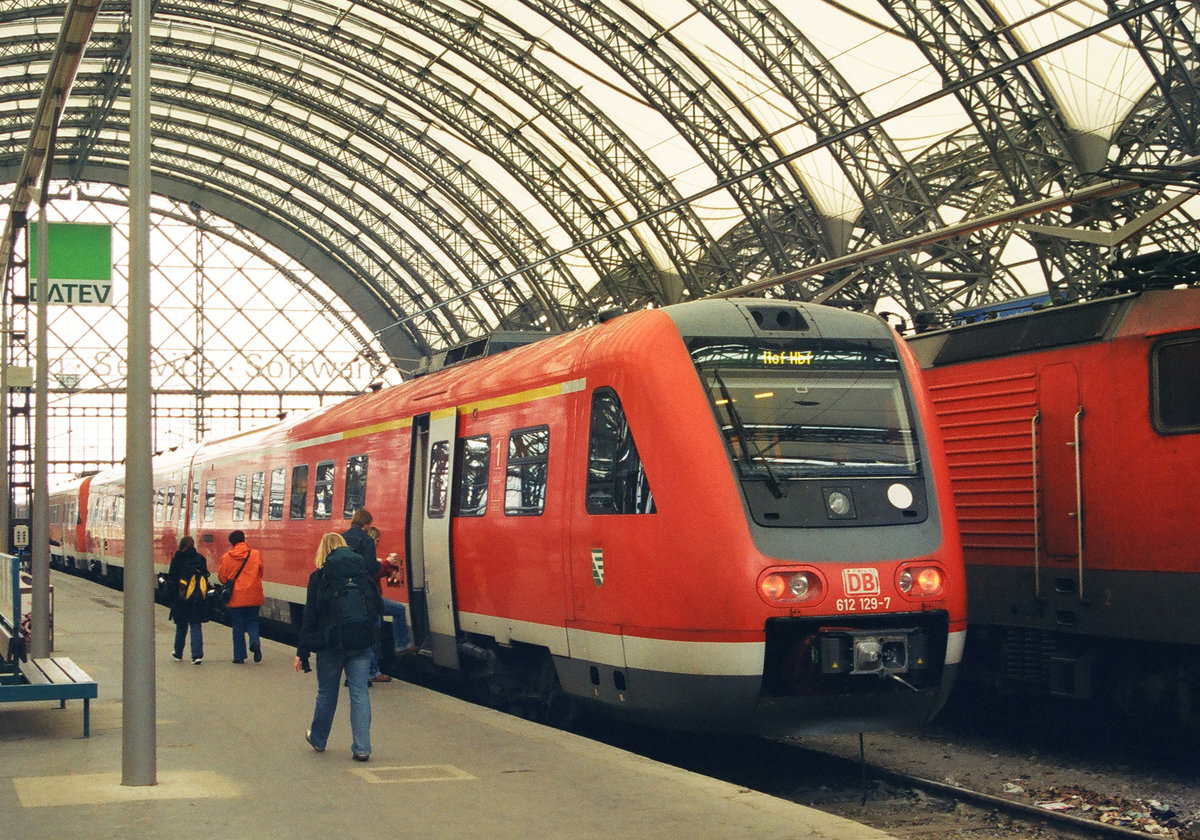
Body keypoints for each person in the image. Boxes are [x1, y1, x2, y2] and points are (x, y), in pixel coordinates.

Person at [294, 532, 381, 761]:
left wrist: (301, 652)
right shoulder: (364, 574)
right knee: (360, 693)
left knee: (327, 693)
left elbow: (309, 617)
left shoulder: (319, 577)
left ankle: (319, 739)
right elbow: (376, 607)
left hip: (330, 644)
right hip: (361, 642)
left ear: (323, 550)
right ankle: (362, 748)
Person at [364, 525, 416, 685]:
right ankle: (373, 671)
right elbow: (371, 573)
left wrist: (387, 566)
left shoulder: (366, 553)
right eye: (377, 540)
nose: (378, 543)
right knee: (374, 635)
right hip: (371, 601)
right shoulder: (367, 553)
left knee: (396, 613)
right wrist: (387, 563)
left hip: (373, 599)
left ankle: (401, 646)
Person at [218, 530, 265, 664]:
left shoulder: (227, 557)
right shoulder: (255, 554)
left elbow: (222, 578)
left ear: (231, 542)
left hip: (236, 597)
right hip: (253, 595)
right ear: (244, 539)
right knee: (252, 621)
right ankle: (255, 643)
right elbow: (261, 572)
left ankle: (239, 656)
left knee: (238, 626)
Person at [166, 536, 209, 664]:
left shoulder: (177, 558)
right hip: (197, 598)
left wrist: (171, 596)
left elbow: (171, 578)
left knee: (181, 626)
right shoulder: (200, 558)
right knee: (196, 625)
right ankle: (197, 655)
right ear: (193, 545)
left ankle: (178, 653)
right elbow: (205, 577)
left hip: (181, 599)